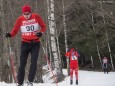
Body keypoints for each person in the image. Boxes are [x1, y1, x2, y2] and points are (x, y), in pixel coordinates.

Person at [5, 4, 46, 86]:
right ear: (22, 13)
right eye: (25, 14)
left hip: (35, 43)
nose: (26, 16)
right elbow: (15, 30)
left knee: (34, 62)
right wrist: (10, 34)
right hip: (25, 43)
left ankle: (30, 81)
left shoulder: (36, 17)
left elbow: (43, 26)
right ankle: (20, 82)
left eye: (28, 14)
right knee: (22, 63)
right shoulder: (20, 19)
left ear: (30, 12)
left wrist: (40, 33)